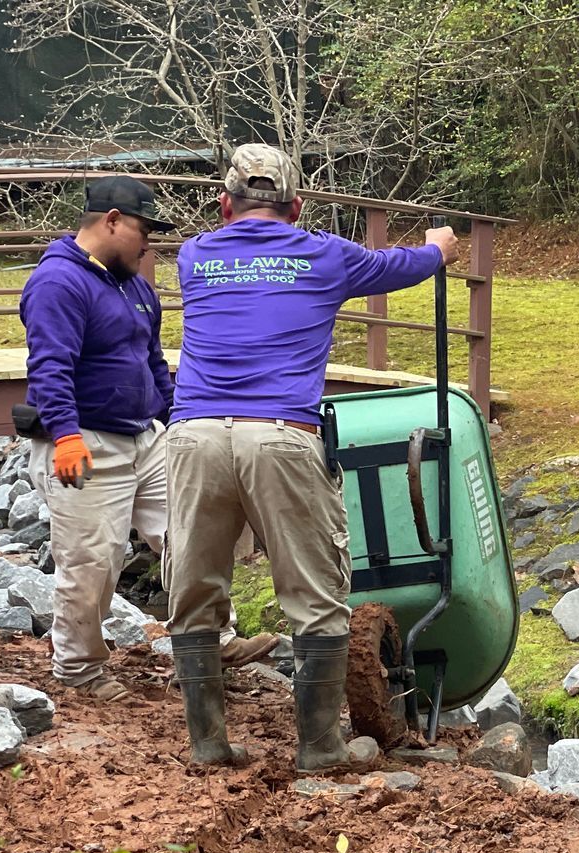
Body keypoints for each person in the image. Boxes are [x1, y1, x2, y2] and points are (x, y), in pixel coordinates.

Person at [164, 144, 458, 770]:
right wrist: (440, 249)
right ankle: (320, 747)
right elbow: (396, 265)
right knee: (314, 591)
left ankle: (208, 743)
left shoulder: (195, 256)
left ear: (224, 205)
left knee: (194, 587)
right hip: (279, 434)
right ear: (297, 207)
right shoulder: (323, 255)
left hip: (193, 434)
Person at [17, 176, 175, 702]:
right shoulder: (58, 283)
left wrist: (174, 415)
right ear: (111, 220)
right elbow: (50, 368)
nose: (149, 241)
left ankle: (210, 641)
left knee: (191, 532)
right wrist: (64, 436)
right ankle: (79, 668)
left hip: (142, 437)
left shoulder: (134, 285)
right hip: (84, 440)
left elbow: (153, 361)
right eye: (143, 228)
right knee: (92, 561)